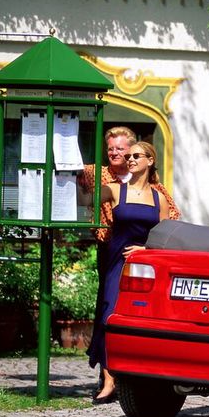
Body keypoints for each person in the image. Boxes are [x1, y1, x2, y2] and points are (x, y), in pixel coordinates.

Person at [78, 127, 180, 402]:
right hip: (115, 259)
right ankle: (109, 379)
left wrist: (146, 249)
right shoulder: (111, 186)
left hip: (145, 263)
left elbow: (167, 229)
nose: (126, 158)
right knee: (110, 312)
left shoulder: (159, 196)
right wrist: (67, 170)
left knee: (141, 315)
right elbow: (83, 198)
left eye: (134, 154)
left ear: (149, 160)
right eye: (124, 154)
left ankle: (138, 376)